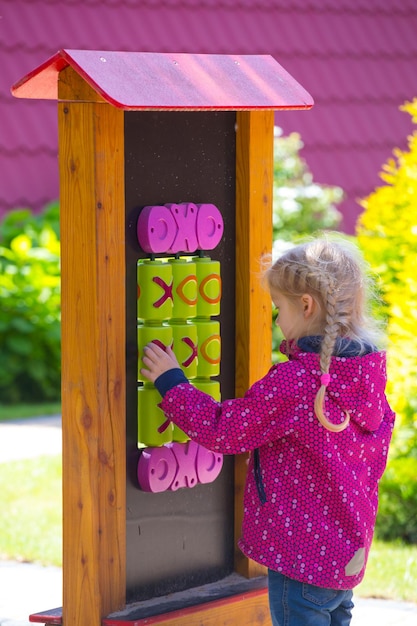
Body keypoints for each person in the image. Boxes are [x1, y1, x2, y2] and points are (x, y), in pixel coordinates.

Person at [141, 237, 395, 626]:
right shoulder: (368, 377)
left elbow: (224, 431)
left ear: (306, 305)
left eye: (278, 308)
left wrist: (172, 383)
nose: (276, 320)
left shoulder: (297, 382)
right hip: (344, 555)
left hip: (301, 562)